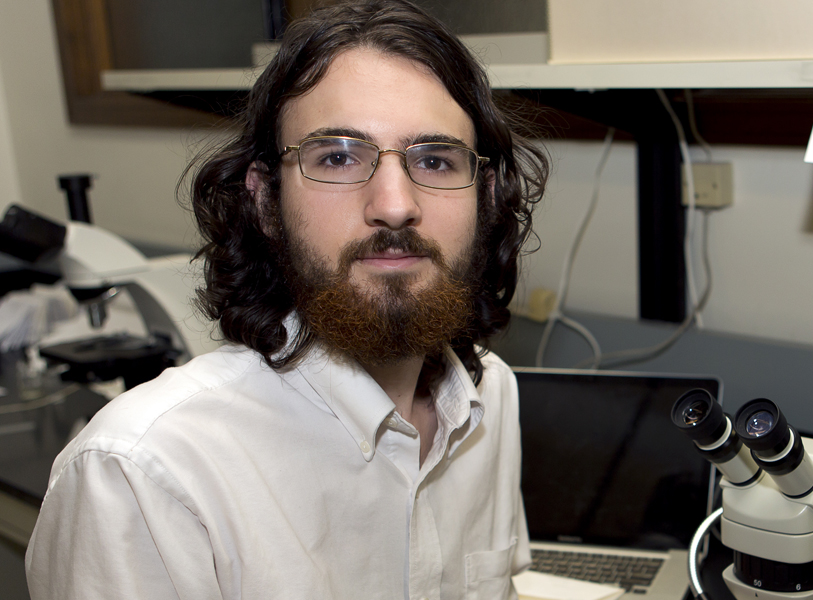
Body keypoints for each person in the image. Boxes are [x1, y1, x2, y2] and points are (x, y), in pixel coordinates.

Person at [25, 1, 548, 598]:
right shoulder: (144, 474)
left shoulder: (488, 397)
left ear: (484, 197)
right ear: (266, 201)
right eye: (338, 157)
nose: (396, 203)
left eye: (434, 159)